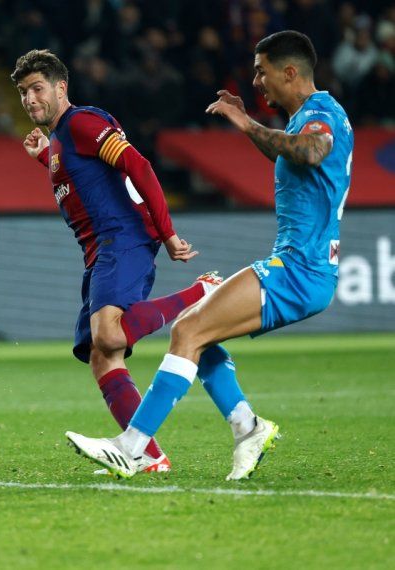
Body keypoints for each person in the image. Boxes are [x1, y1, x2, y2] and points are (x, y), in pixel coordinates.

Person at [73, 31, 352, 480]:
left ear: (290, 71)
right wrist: (248, 123)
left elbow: (312, 151)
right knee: (201, 334)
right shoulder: (310, 115)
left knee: (187, 328)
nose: (256, 80)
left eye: (261, 70)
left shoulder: (320, 115)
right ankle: (247, 427)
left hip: (300, 268)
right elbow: (295, 155)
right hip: (303, 267)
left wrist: (245, 124)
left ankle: (133, 445)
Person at [12, 49, 221, 474]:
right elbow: (87, 178)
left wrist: (168, 233)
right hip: (99, 254)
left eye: (37, 89)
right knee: (101, 355)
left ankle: (203, 292)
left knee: (108, 336)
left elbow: (137, 166)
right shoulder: (59, 140)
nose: (29, 99)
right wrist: (44, 157)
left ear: (60, 87)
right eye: (22, 92)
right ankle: (148, 456)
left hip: (121, 240)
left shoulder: (83, 123)